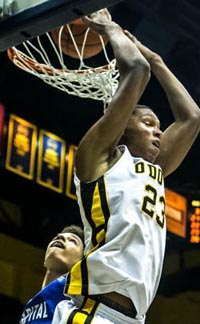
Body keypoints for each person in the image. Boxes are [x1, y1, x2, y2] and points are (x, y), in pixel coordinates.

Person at [54, 9, 200, 324]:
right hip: (95, 310)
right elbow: (136, 70)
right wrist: (108, 28)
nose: (159, 132)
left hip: (134, 318)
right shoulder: (99, 160)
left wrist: (158, 61)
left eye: (159, 126)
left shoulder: (155, 169)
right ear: (122, 128)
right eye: (149, 123)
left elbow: (192, 117)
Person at [19, 225, 84, 324]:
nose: (60, 238)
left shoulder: (81, 293)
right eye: (57, 237)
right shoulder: (31, 304)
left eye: (72, 240)